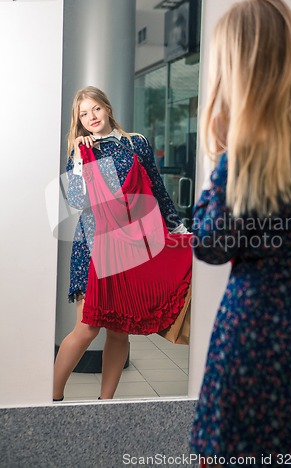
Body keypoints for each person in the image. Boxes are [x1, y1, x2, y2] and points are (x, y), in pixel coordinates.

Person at [189, 0, 291, 466]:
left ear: (238, 67)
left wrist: (221, 161)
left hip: (254, 343)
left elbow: (209, 243)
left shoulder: (249, 150)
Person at [53, 86, 190, 401]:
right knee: (87, 327)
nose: (91, 118)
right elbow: (75, 200)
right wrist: (77, 158)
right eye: (83, 114)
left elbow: (157, 190)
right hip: (92, 246)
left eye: (95, 109)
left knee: (118, 330)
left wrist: (180, 231)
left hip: (130, 245)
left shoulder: (136, 143)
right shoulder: (82, 151)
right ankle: (52, 399)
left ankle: (107, 404)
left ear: (107, 107)